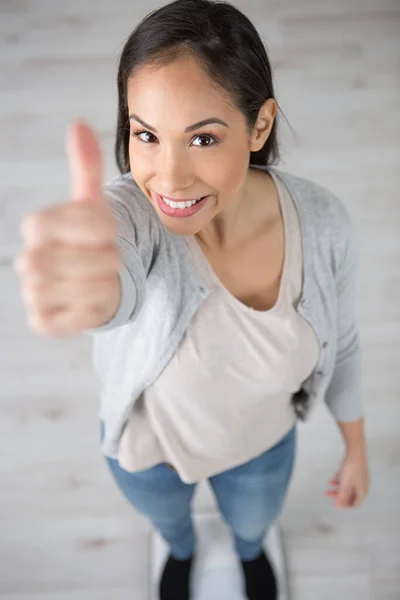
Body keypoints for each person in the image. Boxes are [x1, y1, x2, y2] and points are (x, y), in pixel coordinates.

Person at [14, 1, 370, 599]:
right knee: (171, 525)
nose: (168, 178)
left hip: (262, 449)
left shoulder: (326, 223)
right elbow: (117, 280)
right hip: (149, 454)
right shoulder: (131, 214)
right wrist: (97, 290)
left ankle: (252, 551)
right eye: (146, 135)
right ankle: (178, 551)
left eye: (202, 137)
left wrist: (355, 448)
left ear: (260, 126)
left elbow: (347, 340)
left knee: (252, 527)